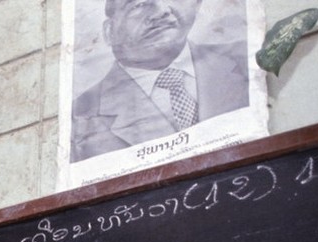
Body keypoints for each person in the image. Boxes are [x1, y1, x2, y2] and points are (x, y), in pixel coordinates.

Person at [71, 0, 249, 161]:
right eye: (139, 5)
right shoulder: (79, 117)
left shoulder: (248, 61)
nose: (162, 11)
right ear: (109, 32)